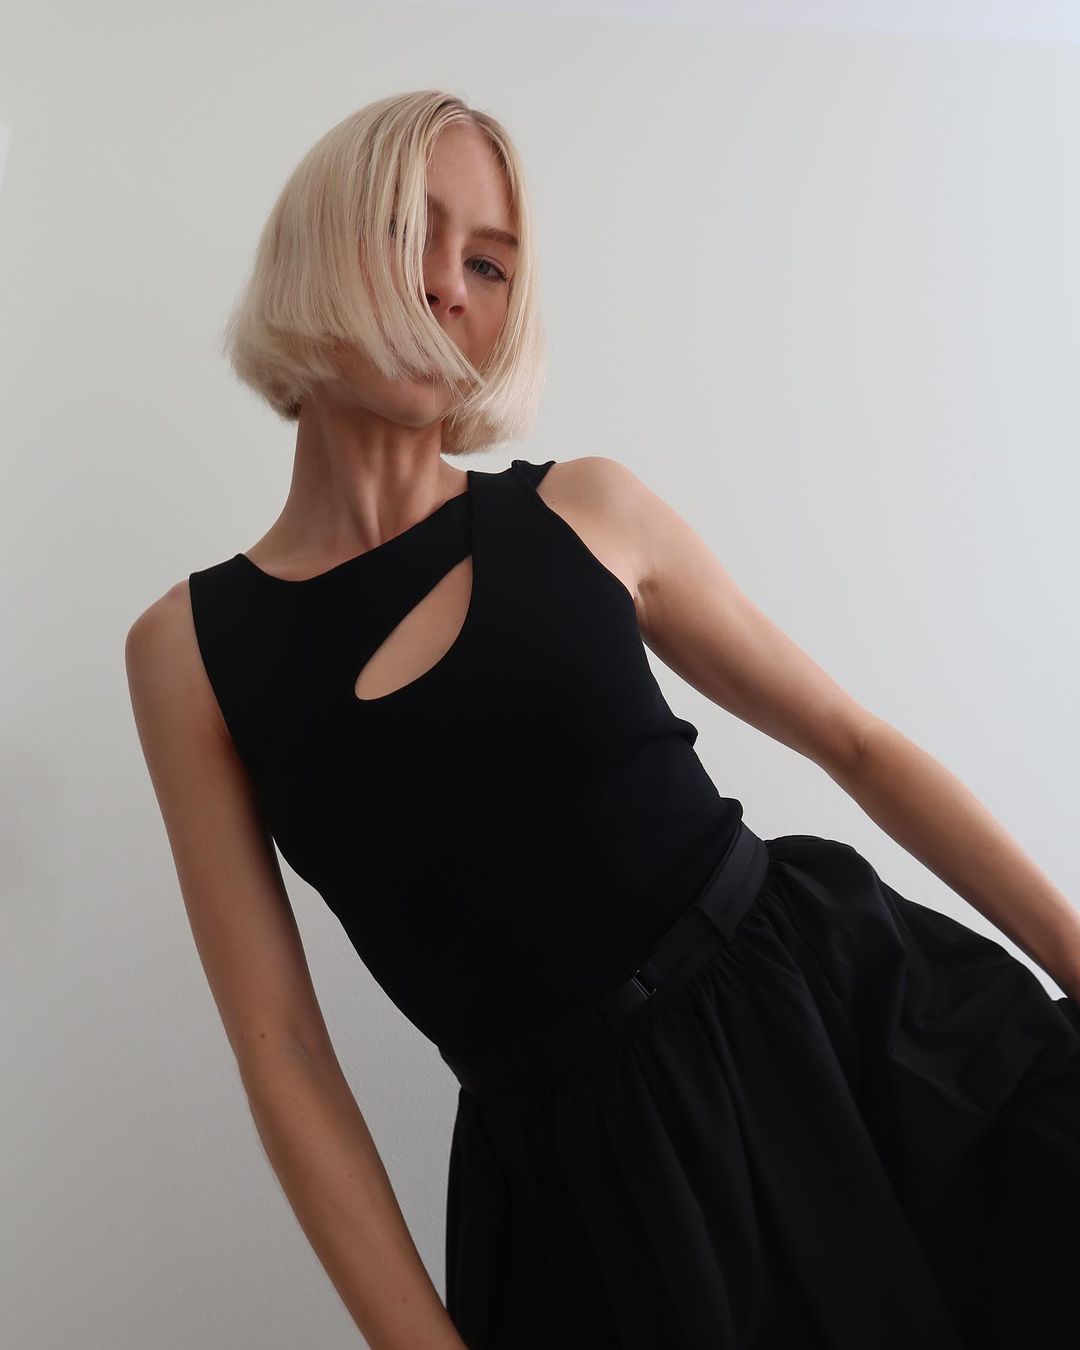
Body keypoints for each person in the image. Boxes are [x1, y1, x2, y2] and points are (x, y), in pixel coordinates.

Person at [126, 90, 1080, 1350]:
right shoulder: (190, 654)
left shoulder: (586, 512)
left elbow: (852, 742)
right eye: (410, 231)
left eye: (490, 263)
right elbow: (282, 1050)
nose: (447, 286)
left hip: (831, 1036)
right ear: (317, 247)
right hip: (593, 1202)